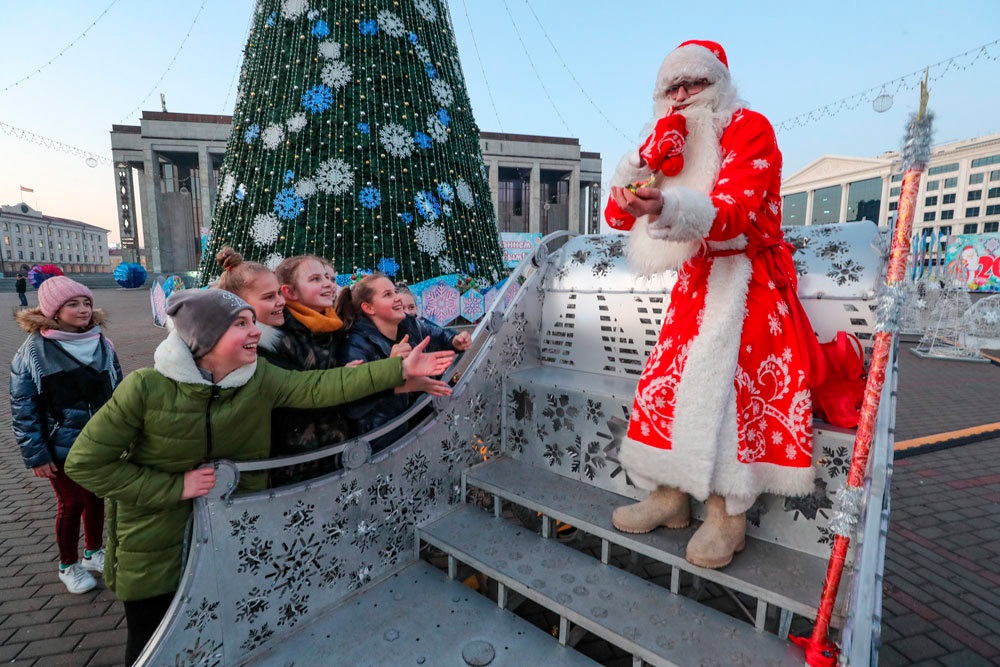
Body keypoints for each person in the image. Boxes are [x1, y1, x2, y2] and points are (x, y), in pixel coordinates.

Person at [64, 289, 454, 665]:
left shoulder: (258, 376)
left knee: (225, 629)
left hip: (232, 532)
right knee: (153, 641)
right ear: (206, 338)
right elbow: (85, 463)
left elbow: (321, 387)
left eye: (253, 322)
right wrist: (176, 487)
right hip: (154, 542)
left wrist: (397, 368)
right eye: (240, 324)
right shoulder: (147, 387)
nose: (255, 332)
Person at [605, 40, 821, 569]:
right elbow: (616, 217)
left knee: (733, 396)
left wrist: (669, 203)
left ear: (718, 86)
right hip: (696, 281)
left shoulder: (750, 128)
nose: (682, 96)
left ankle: (727, 515)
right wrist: (636, 172)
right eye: (671, 88)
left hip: (749, 281)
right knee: (668, 382)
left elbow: (736, 212)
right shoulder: (664, 141)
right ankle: (669, 496)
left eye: (693, 84)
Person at [10, 276, 122, 594]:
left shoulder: (102, 343)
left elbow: (119, 393)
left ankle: (94, 552)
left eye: (86, 302)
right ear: (54, 311)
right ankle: (67, 564)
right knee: (71, 503)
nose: (83, 309)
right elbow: (23, 407)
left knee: (97, 497)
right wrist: (37, 454)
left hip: (100, 441)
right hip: (59, 445)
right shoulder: (34, 351)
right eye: (72, 304)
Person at [336, 274, 466, 451]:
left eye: (394, 292)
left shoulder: (408, 324)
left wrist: (455, 340)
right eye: (387, 295)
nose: (397, 298)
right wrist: (392, 366)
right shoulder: (355, 343)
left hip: (414, 424)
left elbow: (438, 334)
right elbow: (353, 405)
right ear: (368, 308)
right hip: (377, 440)